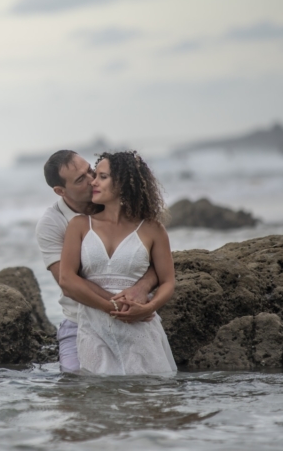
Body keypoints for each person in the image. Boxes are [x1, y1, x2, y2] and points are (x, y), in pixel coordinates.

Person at [35, 150, 158, 372]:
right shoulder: (53, 223)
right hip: (80, 320)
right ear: (61, 191)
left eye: (90, 170)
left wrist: (142, 289)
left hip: (137, 315)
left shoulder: (114, 202)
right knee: (75, 382)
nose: (93, 180)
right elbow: (69, 282)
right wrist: (119, 306)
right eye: (81, 179)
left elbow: (155, 261)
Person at [58, 151, 177, 375]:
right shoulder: (80, 225)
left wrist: (148, 308)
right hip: (94, 329)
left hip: (141, 330)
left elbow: (168, 281)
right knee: (99, 397)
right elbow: (67, 280)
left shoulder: (153, 229)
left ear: (122, 184)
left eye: (102, 177)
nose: (93, 181)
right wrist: (111, 308)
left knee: (148, 401)